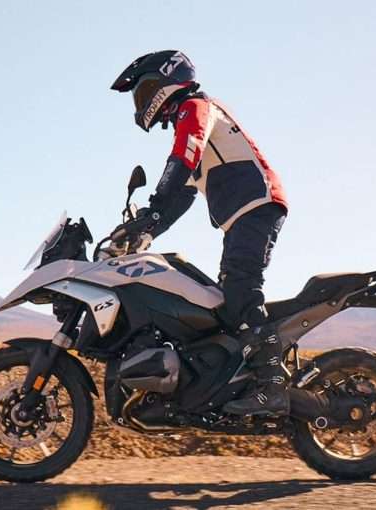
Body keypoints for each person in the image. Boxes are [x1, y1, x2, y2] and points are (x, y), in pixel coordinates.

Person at [110, 50, 290, 416]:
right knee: (225, 296)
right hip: (244, 213)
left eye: (144, 92)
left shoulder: (196, 108)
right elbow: (184, 196)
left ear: (166, 81)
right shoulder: (190, 121)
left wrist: (153, 206)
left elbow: (183, 158)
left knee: (241, 290)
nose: (141, 103)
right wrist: (148, 229)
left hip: (257, 205)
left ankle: (272, 385)